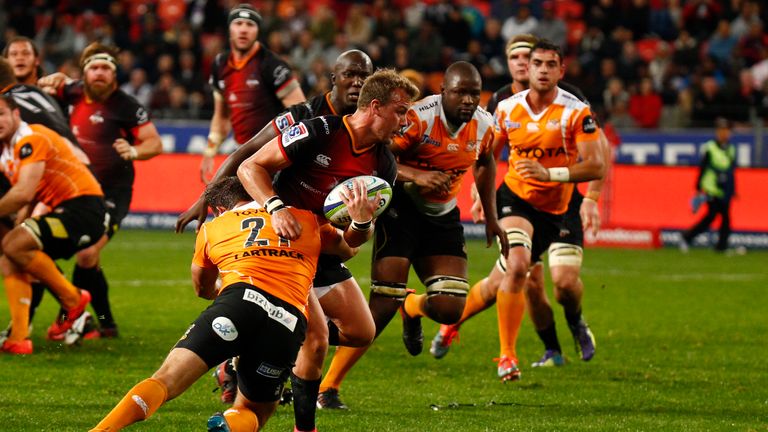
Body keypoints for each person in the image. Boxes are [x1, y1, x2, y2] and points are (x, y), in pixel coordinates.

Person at [177, 49, 376, 430]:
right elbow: (246, 153)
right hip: (286, 235)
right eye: (349, 74)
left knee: (360, 332)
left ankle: (261, 344)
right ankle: (275, 395)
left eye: (363, 76)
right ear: (332, 78)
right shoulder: (303, 117)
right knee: (315, 339)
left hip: (325, 237)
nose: (356, 82)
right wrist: (206, 197)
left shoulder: (370, 136)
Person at [316, 62, 508, 409]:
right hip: (401, 210)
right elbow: (382, 156)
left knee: (450, 308)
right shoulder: (418, 118)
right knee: (382, 304)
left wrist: (492, 217)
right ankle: (328, 387)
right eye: (460, 92)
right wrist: (417, 178)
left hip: (443, 215)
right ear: (443, 91)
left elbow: (485, 162)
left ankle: (413, 305)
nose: (468, 100)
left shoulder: (485, 124)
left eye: (473, 93)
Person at [236, 69, 419, 432]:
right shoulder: (319, 131)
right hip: (283, 246)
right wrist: (276, 207)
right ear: (375, 107)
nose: (406, 120)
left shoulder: (384, 164)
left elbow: (352, 243)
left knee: (361, 332)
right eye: (400, 111)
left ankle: (268, 336)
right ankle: (305, 427)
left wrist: (362, 222)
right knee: (317, 339)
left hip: (322, 246)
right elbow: (249, 165)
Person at [90, 176, 329, 431]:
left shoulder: (214, 228)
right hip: (287, 322)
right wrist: (360, 223)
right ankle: (228, 425)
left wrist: (231, 293)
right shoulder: (303, 218)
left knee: (165, 381)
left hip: (238, 303)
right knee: (253, 412)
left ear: (220, 209)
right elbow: (348, 248)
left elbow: (202, 288)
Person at [431, 35, 610, 371]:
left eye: (548, 64)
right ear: (522, 66)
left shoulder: (576, 106)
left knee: (564, 285)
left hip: (561, 204)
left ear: (561, 69)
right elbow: (486, 155)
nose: (539, 69)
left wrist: (585, 195)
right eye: (533, 63)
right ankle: (512, 356)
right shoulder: (504, 104)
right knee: (519, 271)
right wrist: (479, 194)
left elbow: (598, 161)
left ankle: (574, 323)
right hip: (518, 199)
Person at [38, 42, 163, 338]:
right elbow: (31, 92)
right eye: (94, 67)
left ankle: (72, 315)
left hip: (111, 193)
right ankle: (104, 323)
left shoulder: (127, 105)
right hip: (70, 188)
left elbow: (154, 143)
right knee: (38, 247)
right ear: (83, 73)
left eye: (106, 68)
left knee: (87, 254)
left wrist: (133, 151)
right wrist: (46, 80)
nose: (100, 73)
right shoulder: (68, 91)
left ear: (115, 74)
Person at [0, 94, 105, 354]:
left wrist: (18, 230)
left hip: (83, 209)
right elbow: (32, 193)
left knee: (13, 245)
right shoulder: (8, 150)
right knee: (9, 255)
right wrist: (20, 226)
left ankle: (74, 300)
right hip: (66, 211)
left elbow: (24, 192)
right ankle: (19, 339)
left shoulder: (31, 138)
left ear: (16, 115)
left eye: (1, 113)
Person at [200, 3, 306, 184]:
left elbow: (302, 113)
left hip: (273, 156)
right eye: (238, 23)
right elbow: (221, 115)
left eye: (250, 25)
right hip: (240, 152)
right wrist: (210, 151)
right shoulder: (220, 63)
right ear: (229, 28)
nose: (243, 30)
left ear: (257, 30)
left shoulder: (272, 65)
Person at [680, 117, 736, 252]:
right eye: (721, 130)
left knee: (723, 218)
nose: (724, 133)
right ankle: (688, 237)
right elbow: (703, 167)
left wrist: (733, 189)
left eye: (726, 130)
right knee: (713, 216)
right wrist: (698, 187)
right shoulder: (710, 147)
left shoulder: (731, 149)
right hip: (711, 188)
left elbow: (731, 171)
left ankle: (720, 246)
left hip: (724, 190)